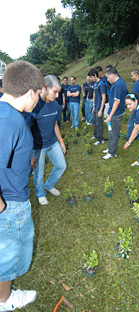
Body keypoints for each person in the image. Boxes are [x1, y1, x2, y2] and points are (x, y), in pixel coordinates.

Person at [0, 60, 45, 311]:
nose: (38, 100)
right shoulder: (10, 121)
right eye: (38, 94)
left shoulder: (6, 114)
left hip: (9, 194)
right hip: (10, 202)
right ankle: (4, 301)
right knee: (8, 254)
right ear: (30, 92)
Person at [25, 75, 66, 206]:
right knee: (39, 172)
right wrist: (29, 153)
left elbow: (54, 124)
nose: (57, 95)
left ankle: (49, 185)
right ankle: (40, 194)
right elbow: (27, 130)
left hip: (53, 142)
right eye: (55, 92)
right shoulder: (34, 106)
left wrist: (61, 141)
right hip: (38, 147)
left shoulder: (55, 104)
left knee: (61, 165)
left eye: (59, 92)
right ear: (45, 88)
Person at [103, 67, 127, 159]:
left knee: (113, 133)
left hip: (115, 114)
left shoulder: (118, 85)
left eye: (108, 78)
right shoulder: (119, 82)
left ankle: (112, 153)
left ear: (112, 75)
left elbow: (117, 101)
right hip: (114, 112)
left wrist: (110, 116)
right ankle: (110, 148)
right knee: (111, 132)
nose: (107, 80)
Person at [122, 69, 139, 142]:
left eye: (132, 75)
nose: (131, 77)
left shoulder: (136, 84)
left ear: (136, 75)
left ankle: (129, 136)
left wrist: (132, 109)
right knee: (138, 120)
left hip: (136, 106)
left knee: (131, 121)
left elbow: (134, 96)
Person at [88, 68, 106, 145]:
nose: (90, 79)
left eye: (91, 77)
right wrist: (93, 106)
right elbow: (95, 95)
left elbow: (104, 97)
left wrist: (101, 109)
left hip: (100, 107)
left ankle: (100, 139)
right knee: (95, 122)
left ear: (95, 75)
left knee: (99, 123)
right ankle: (96, 135)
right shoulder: (95, 84)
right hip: (96, 106)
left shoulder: (101, 84)